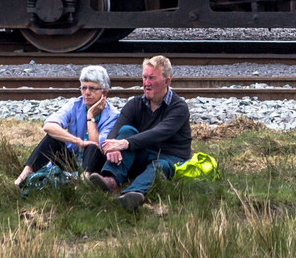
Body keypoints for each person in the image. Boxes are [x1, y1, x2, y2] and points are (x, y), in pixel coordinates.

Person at [93, 55, 191, 210]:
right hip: (141, 154)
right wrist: (111, 146)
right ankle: (111, 181)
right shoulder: (135, 104)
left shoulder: (179, 107)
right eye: (144, 77)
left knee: (160, 165)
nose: (146, 83)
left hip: (170, 157)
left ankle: (132, 194)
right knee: (126, 130)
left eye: (152, 78)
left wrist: (126, 143)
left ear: (167, 81)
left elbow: (159, 133)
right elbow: (117, 128)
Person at [17, 65, 119, 187]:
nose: (86, 93)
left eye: (92, 88)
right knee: (52, 138)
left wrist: (90, 116)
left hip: (96, 167)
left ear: (104, 92)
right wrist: (78, 142)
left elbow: (97, 146)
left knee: (91, 147)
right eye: (83, 88)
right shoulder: (75, 104)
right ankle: (22, 178)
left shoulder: (113, 115)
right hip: (72, 161)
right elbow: (49, 126)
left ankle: (82, 184)